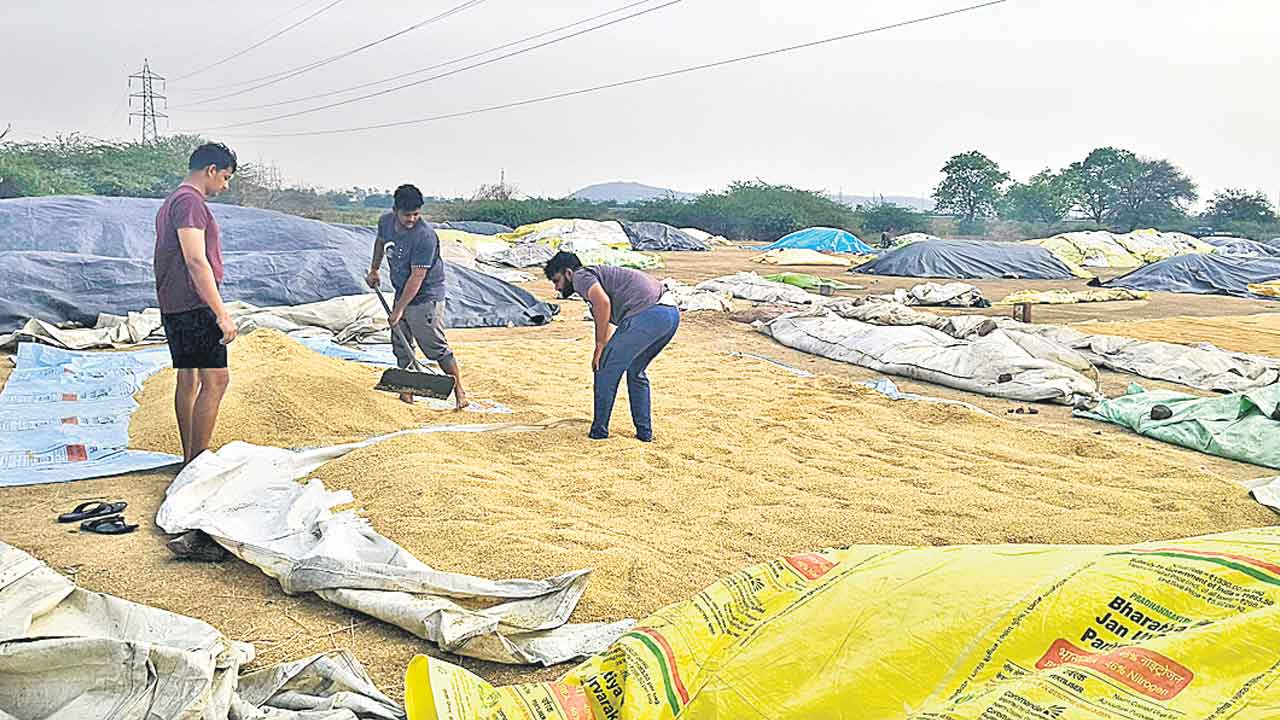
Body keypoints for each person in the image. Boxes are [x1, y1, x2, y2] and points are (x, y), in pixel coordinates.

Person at [153, 142, 238, 464]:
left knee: (188, 376)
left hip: (174, 301)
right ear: (210, 171)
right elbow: (195, 260)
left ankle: (189, 457)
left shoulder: (171, 201)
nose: (225, 185)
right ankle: (198, 461)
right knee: (216, 379)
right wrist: (221, 314)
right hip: (194, 302)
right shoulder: (191, 203)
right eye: (225, 177)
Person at [544, 251, 679, 441]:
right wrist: (604, 345)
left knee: (604, 368)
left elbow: (603, 303)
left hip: (648, 313)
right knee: (636, 371)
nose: (557, 288)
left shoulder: (581, 276)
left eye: (556, 281)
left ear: (568, 273)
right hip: (670, 315)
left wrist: (600, 346)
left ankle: (599, 432)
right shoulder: (597, 275)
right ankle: (644, 434)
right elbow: (604, 317)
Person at [366, 184, 468, 409]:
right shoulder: (385, 222)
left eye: (416, 214)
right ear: (395, 210)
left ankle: (460, 391)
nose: (411, 219)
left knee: (434, 346)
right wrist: (374, 269)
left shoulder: (425, 236)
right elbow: (380, 243)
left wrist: (399, 310)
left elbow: (417, 277)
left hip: (426, 295)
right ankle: (407, 392)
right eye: (406, 215)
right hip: (402, 289)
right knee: (401, 344)